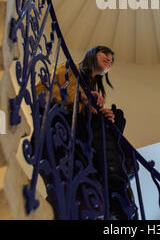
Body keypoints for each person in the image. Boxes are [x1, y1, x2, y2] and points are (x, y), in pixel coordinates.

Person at [35, 45, 138, 220]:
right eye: (105, 53)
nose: (109, 59)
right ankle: (116, 189)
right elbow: (41, 92)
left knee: (115, 119)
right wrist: (80, 97)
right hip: (66, 129)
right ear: (92, 53)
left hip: (84, 134)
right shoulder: (69, 69)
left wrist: (104, 114)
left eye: (111, 60)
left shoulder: (92, 86)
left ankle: (117, 187)